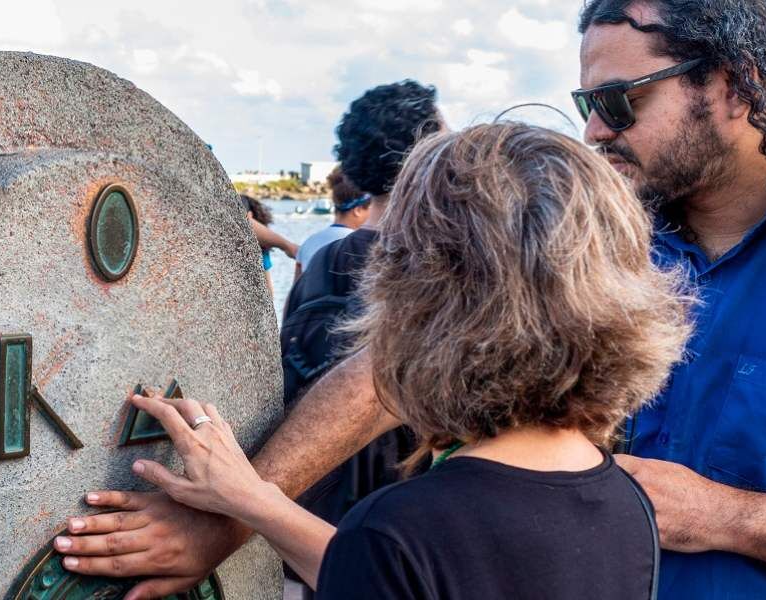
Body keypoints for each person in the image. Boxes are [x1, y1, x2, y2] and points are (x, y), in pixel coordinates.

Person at [59, 2, 766, 598]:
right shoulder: (594, 228)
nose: (594, 133)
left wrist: (731, 518)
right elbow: (393, 369)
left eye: (619, 102)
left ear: (737, 85)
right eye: (585, 104)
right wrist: (228, 518)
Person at [122, 122, 689, 599]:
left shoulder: (395, 533)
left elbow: (391, 571)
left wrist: (252, 503)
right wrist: (254, 502)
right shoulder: (628, 504)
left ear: (417, 301)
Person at [278, 80, 441, 599]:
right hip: (403, 504)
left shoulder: (323, 258)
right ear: (426, 151)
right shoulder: (434, 262)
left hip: (313, 497)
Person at [292, 166, 371, 278]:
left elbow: (295, 293)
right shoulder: (361, 246)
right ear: (357, 210)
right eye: (370, 208)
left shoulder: (308, 243)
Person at [241, 194, 297, 299]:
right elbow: (268, 287)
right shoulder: (262, 246)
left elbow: (268, 286)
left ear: (251, 215)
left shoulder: (261, 247)